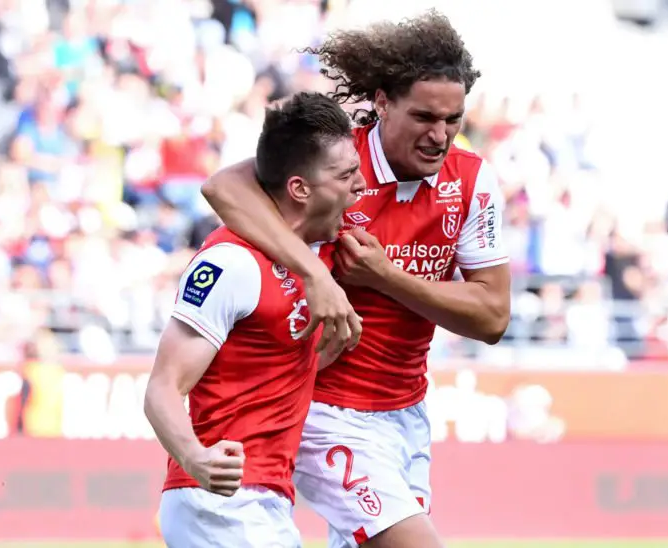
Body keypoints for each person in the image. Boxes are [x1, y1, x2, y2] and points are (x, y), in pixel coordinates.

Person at [201, 10, 512, 548]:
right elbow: (223, 187)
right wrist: (314, 275)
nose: (440, 136)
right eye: (424, 117)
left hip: (407, 412)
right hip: (325, 409)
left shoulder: (471, 181)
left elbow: (492, 317)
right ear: (382, 102)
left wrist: (386, 277)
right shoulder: (338, 160)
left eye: (453, 119)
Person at [144, 91, 365, 548]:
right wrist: (195, 459)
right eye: (346, 175)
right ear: (300, 189)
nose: (360, 185)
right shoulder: (231, 263)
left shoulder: (317, 255)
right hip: (221, 501)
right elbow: (162, 388)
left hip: (264, 498)